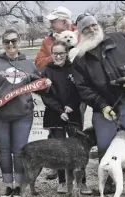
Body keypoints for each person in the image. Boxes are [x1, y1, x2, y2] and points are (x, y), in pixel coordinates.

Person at [72, 13, 125, 197]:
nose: (91, 29)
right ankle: (108, 184)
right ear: (80, 33)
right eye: (85, 28)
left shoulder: (122, 38)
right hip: (105, 109)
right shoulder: (80, 59)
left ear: (97, 24)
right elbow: (84, 89)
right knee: (104, 146)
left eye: (93, 25)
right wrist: (102, 105)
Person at [0, 29, 51, 197]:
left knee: (19, 151)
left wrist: (46, 84)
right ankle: (8, 186)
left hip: (23, 115)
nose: (10, 45)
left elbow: (39, 86)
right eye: (6, 42)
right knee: (4, 151)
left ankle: (19, 186)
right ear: (3, 44)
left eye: (14, 41)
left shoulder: (28, 64)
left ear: (19, 42)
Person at [34, 6, 85, 180]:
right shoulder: (47, 41)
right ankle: (58, 170)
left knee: (75, 132)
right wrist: (58, 56)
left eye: (53, 20)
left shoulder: (80, 36)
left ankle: (77, 177)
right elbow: (39, 62)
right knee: (56, 135)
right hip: (54, 96)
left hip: (74, 97)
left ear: (64, 21)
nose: (50, 23)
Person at [39, 40, 91, 195]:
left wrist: (71, 106)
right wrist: (59, 109)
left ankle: (81, 182)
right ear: (51, 54)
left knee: (78, 149)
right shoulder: (47, 70)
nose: (58, 56)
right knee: (59, 149)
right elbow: (45, 95)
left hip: (73, 113)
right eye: (55, 53)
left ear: (67, 53)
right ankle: (62, 181)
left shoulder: (74, 68)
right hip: (55, 115)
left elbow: (80, 90)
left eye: (61, 53)